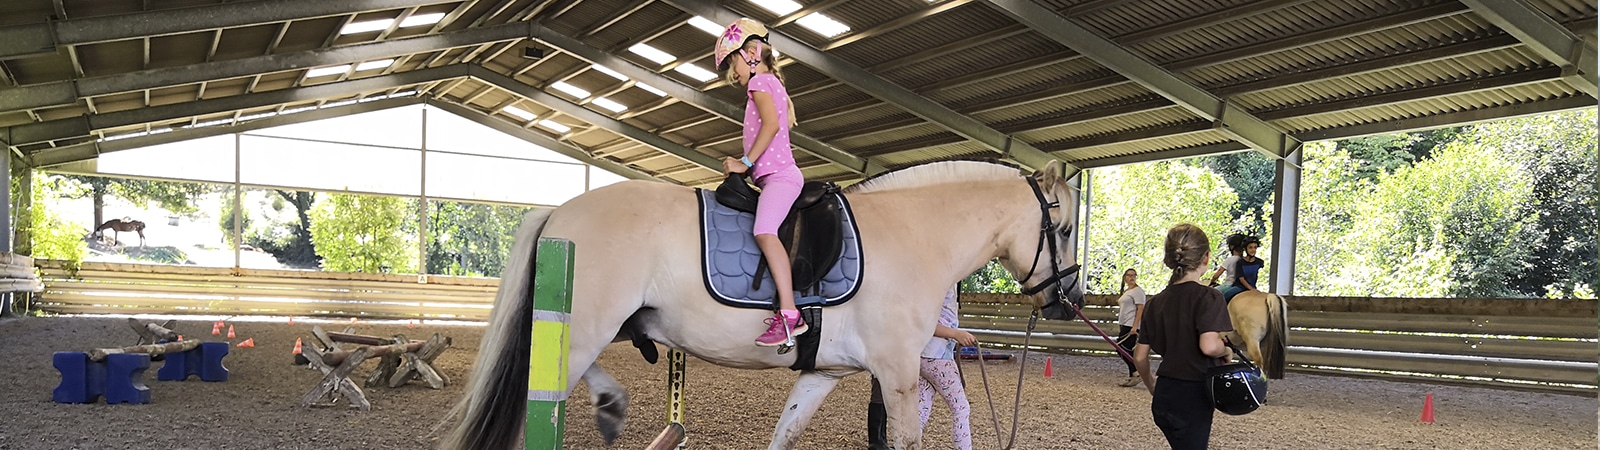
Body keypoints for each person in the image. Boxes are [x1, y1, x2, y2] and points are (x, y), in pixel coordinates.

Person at [714, 18, 807, 347]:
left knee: (764, 232)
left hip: (780, 177)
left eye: (733, 63)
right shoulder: (771, 84)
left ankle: (789, 315)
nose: (733, 74)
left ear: (751, 53)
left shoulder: (760, 83)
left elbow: (769, 126)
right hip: (775, 177)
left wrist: (745, 162)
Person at [1133, 223, 1235, 450]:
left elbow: (1139, 356)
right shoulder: (1209, 297)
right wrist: (1226, 350)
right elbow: (1209, 346)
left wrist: (1151, 385)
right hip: (1193, 395)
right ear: (1206, 258)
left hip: (1165, 394)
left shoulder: (1154, 302)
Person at [917, 286, 977, 450]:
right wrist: (956, 334)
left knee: (921, 407)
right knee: (961, 408)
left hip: (924, 355)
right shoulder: (940, 283)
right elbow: (925, 323)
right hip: (938, 355)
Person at [1114, 268, 1147, 387]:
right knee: (1127, 349)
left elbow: (1140, 309)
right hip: (1124, 323)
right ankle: (1133, 375)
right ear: (1125, 277)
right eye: (1129, 275)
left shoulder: (1138, 291)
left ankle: (1136, 372)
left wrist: (1135, 326)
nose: (1131, 278)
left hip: (1131, 324)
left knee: (1121, 348)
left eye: (1134, 275)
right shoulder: (1128, 291)